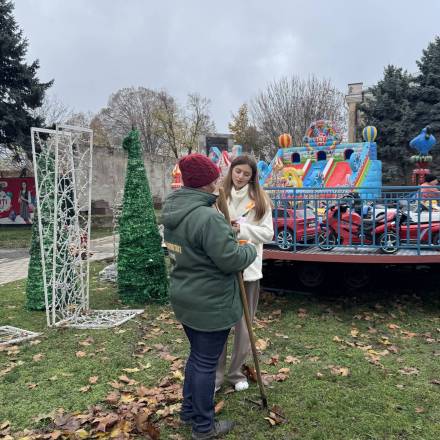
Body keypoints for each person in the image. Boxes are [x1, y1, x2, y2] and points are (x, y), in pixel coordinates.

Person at [162, 153, 257, 440]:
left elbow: (199, 249)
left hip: (186, 296)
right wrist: (248, 249)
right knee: (205, 362)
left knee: (197, 357)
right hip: (209, 302)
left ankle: (188, 410)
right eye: (214, 178)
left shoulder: (175, 210)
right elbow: (230, 260)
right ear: (205, 183)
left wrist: (224, 239)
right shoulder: (208, 217)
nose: (218, 182)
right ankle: (203, 427)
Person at [215, 155, 274, 392]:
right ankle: (216, 375)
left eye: (246, 174)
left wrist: (242, 229)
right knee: (218, 323)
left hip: (248, 269)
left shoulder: (260, 200)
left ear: (252, 177)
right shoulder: (219, 196)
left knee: (244, 324)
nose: (241, 177)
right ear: (231, 171)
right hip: (222, 269)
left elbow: (268, 234)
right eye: (238, 171)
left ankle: (236, 372)